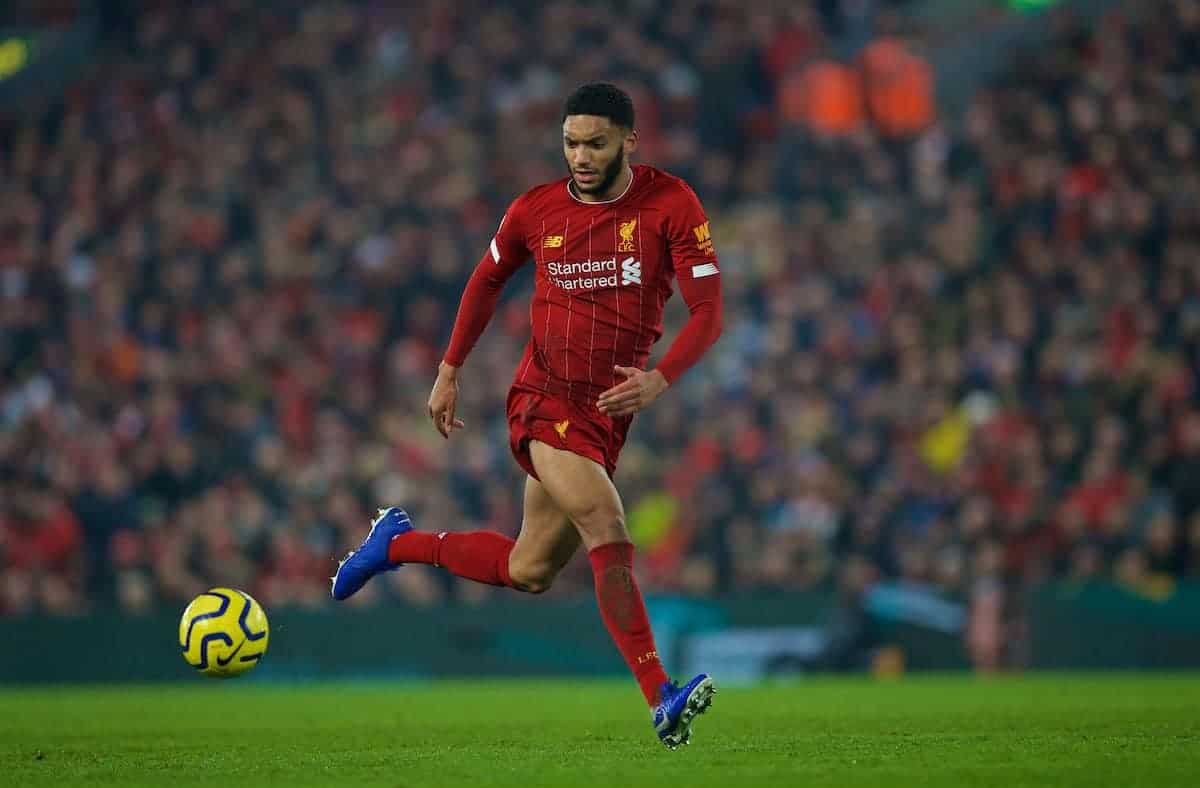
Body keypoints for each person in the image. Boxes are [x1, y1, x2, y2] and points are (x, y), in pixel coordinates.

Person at [331, 82, 723, 748]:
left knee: (529, 570)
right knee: (605, 520)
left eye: (596, 143)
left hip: (604, 418)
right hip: (544, 399)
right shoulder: (535, 211)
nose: (581, 156)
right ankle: (661, 693)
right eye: (570, 142)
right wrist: (450, 369)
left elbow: (709, 312)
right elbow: (487, 279)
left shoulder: (670, 204)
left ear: (629, 139)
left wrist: (661, 379)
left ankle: (394, 543)